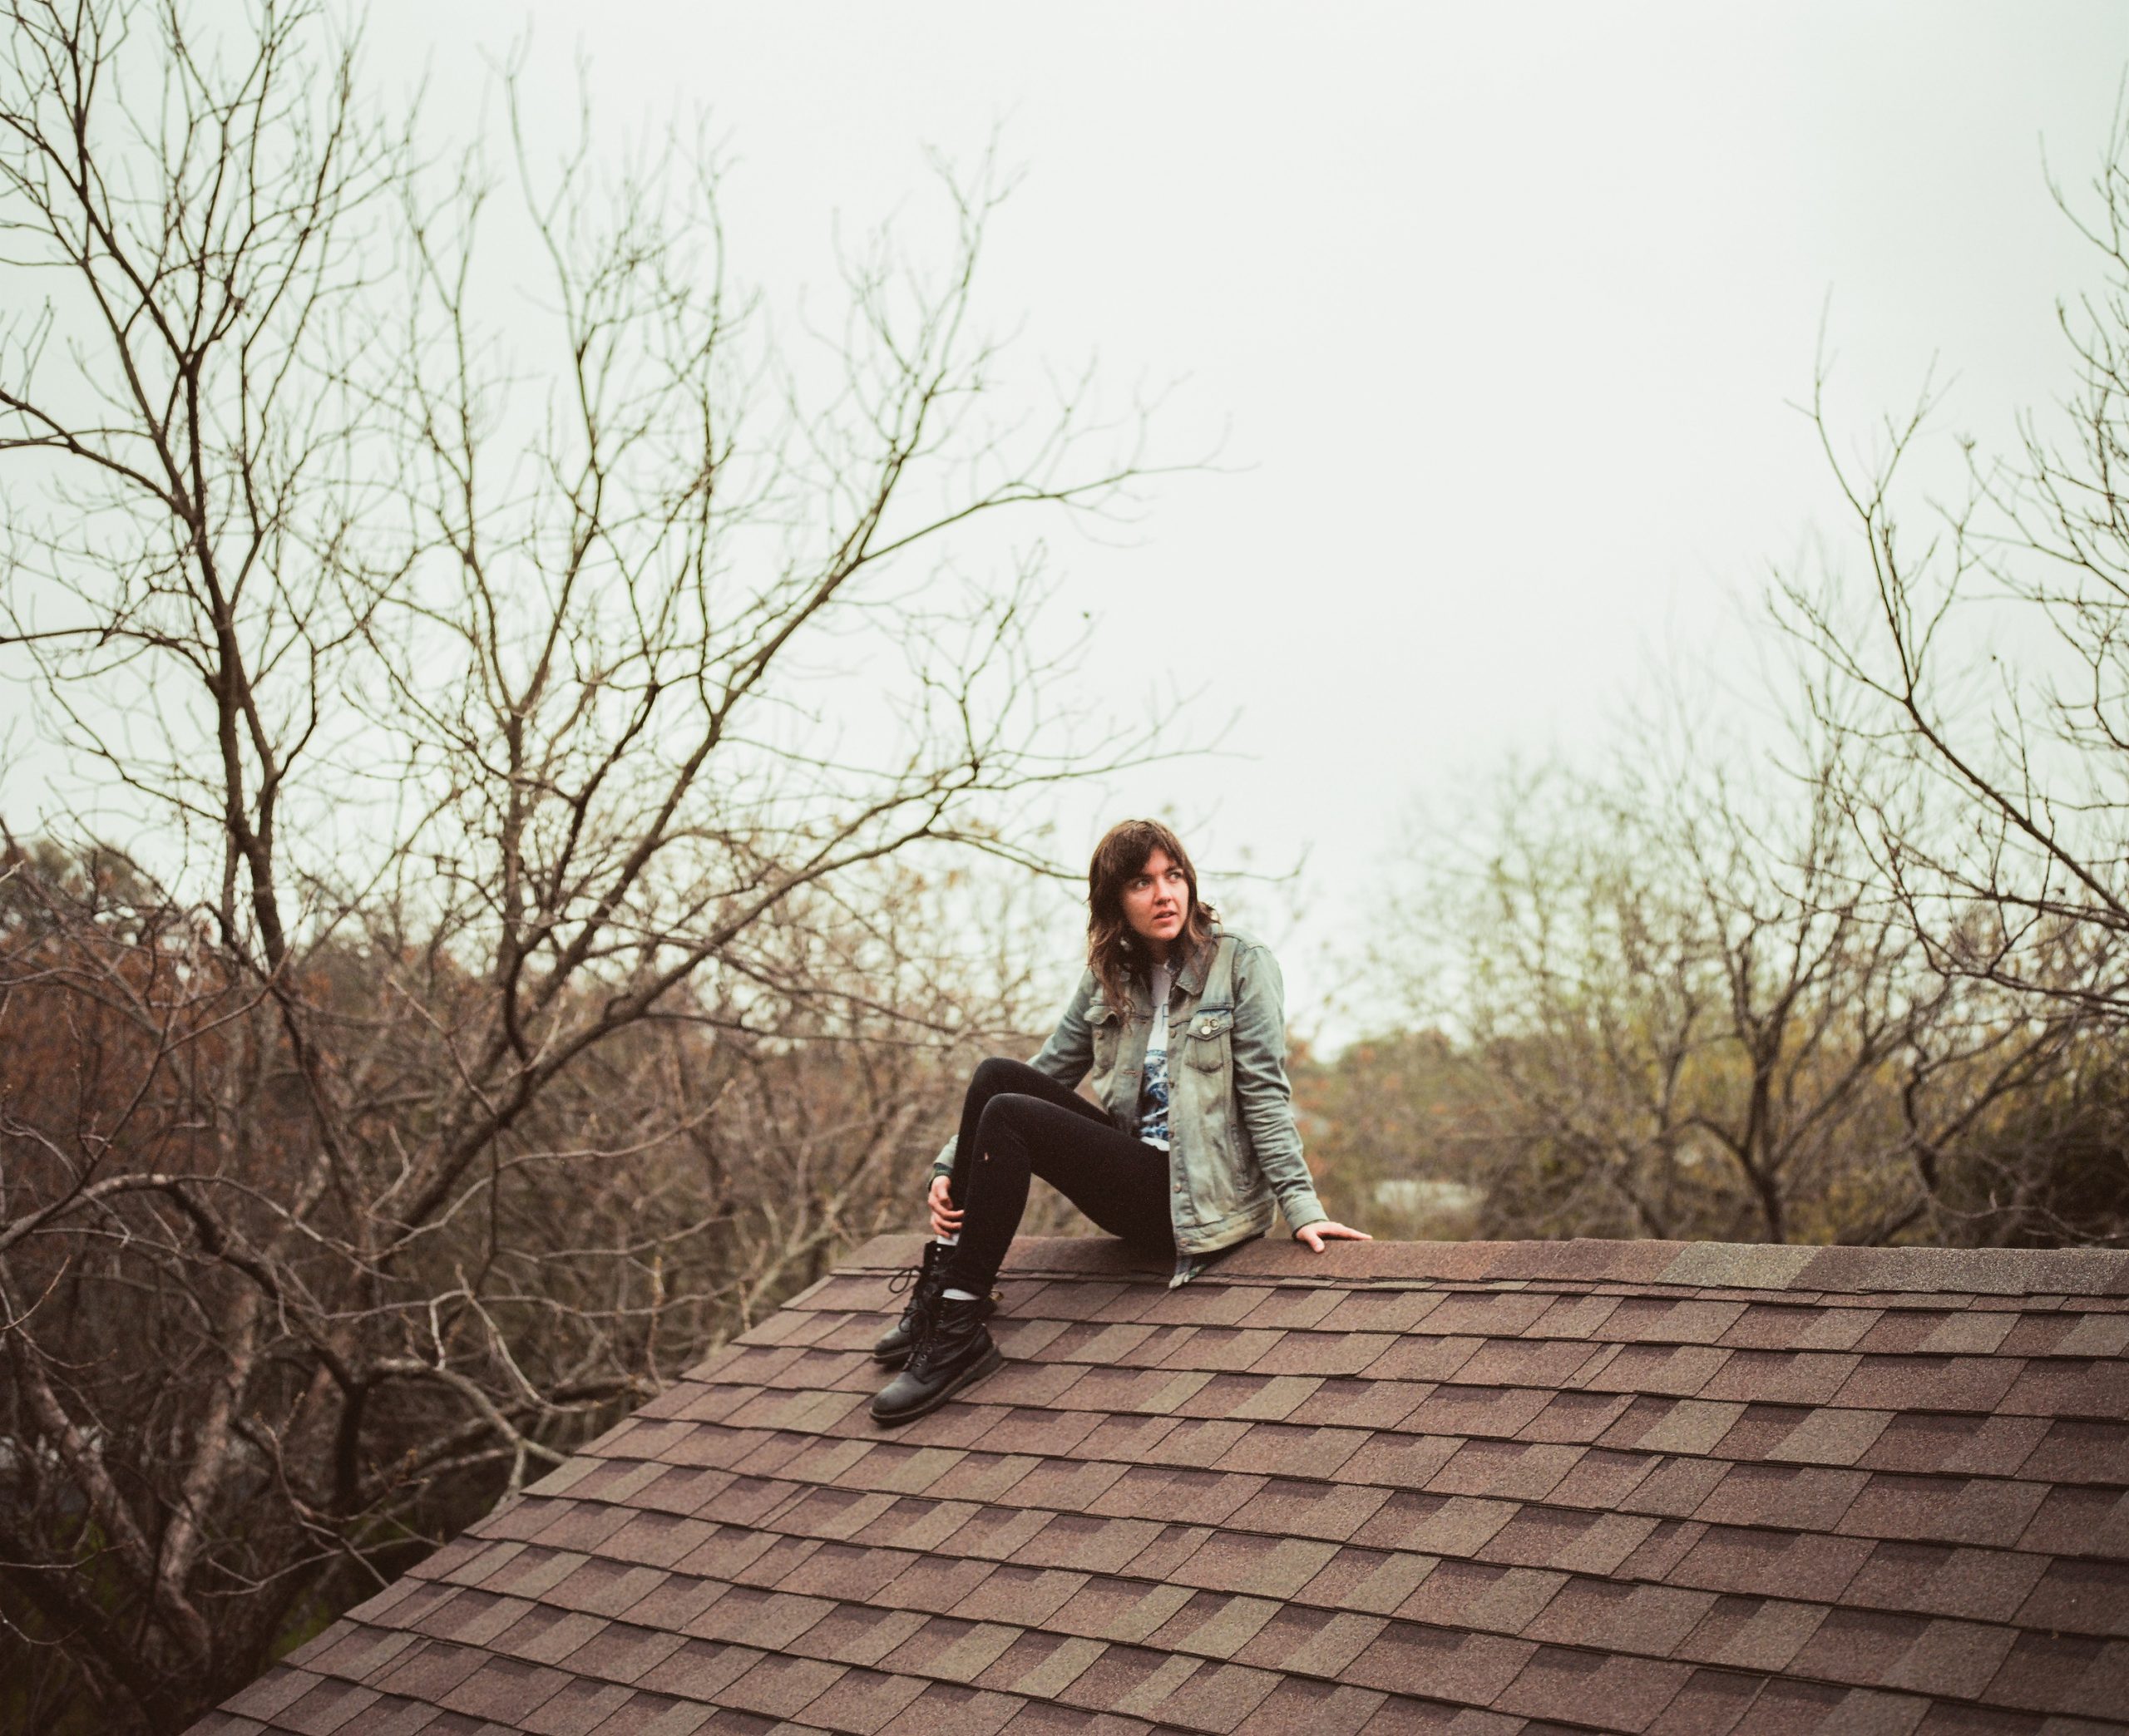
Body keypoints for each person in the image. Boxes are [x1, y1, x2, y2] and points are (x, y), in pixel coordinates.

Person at [870, 818, 1370, 1425]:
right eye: (1141, 882)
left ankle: (959, 1325)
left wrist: (1302, 1207)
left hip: (1195, 1202)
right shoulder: (1112, 976)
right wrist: (951, 1164)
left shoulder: (1242, 964)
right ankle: (945, 1284)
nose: (1164, 894)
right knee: (997, 1077)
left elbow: (1265, 1091)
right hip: (1135, 1177)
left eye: (1174, 875)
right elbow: (1050, 1067)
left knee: (1010, 1114)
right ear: (1114, 902)